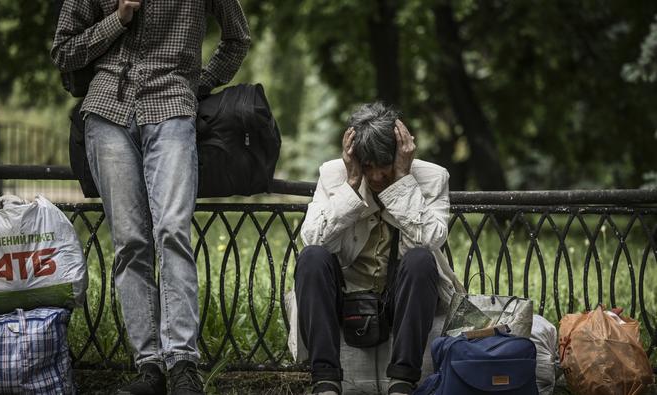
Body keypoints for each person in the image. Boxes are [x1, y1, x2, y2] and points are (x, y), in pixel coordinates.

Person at [51, 0, 250, 393]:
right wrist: (118, 19)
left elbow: (237, 38)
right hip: (108, 111)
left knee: (173, 231)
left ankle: (182, 364)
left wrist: (199, 83)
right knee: (130, 242)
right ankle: (150, 367)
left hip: (172, 106)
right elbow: (63, 51)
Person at [295, 102, 464, 395]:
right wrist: (350, 186)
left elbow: (431, 239)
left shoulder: (433, 177)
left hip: (401, 297)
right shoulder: (334, 174)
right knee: (311, 257)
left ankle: (402, 382)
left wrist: (400, 182)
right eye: (367, 166)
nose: (375, 177)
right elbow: (313, 238)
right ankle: (325, 381)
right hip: (346, 294)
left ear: (401, 153)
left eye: (383, 165)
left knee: (421, 259)